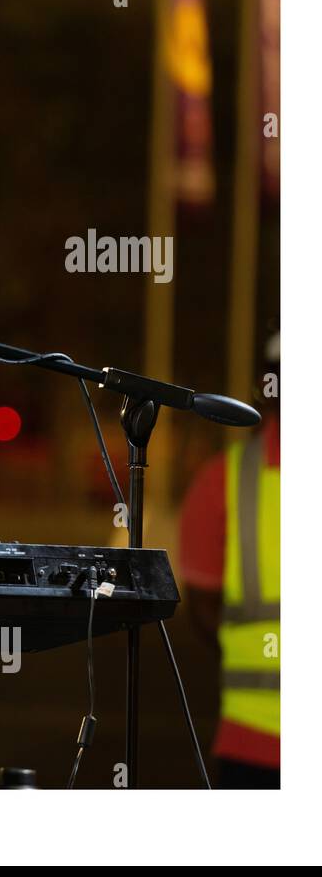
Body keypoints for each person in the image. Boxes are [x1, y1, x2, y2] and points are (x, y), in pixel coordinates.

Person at [177, 332, 280, 788]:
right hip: (254, 744)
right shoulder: (223, 480)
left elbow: (205, 610)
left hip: (253, 743)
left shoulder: (224, 480)